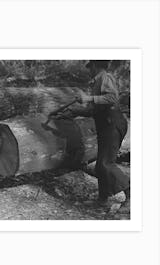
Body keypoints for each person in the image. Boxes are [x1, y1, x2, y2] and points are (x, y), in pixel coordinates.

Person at [54, 60, 130, 211]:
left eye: (90, 67)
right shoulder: (96, 83)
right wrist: (73, 111)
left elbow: (112, 98)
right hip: (105, 126)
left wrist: (88, 98)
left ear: (95, 66)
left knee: (106, 163)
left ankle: (131, 193)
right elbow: (93, 110)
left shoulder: (105, 77)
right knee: (101, 165)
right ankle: (103, 200)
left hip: (112, 124)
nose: (89, 71)